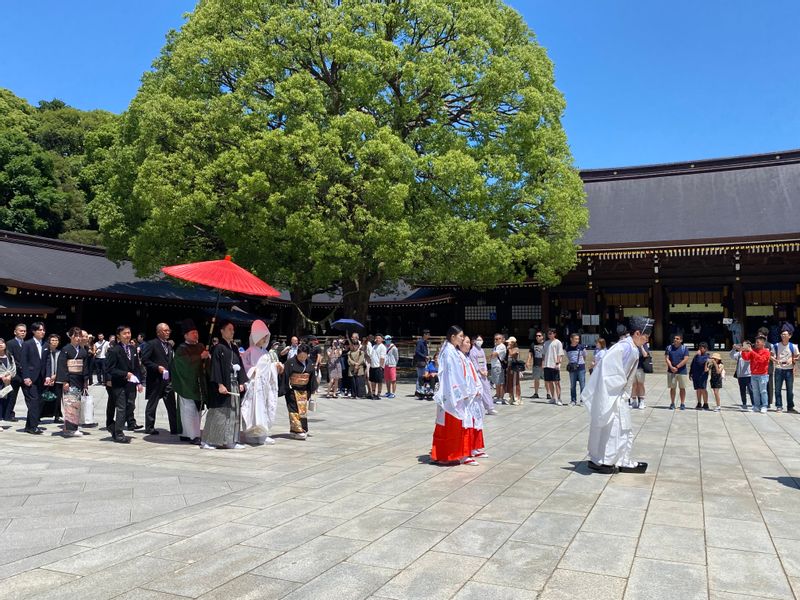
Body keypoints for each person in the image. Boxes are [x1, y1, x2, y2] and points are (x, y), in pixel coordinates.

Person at [584, 316, 654, 474]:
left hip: (619, 393)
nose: (647, 339)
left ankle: (621, 459)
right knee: (613, 427)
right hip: (612, 393)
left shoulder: (631, 347)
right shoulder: (623, 347)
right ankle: (604, 461)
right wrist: (621, 387)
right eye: (646, 335)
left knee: (623, 428)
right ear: (637, 333)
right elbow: (608, 371)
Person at [430, 325, 481, 466]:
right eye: (460, 336)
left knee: (452, 426)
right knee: (452, 426)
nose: (462, 338)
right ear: (453, 337)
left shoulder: (451, 351)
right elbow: (451, 376)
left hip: (453, 393)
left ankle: (450, 454)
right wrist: (460, 392)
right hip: (452, 394)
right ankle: (448, 455)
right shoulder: (449, 352)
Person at [203, 320, 248, 450]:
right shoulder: (218, 348)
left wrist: (241, 382)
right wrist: (220, 384)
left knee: (234, 412)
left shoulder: (233, 347)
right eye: (229, 329)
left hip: (233, 384)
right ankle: (207, 440)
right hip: (223, 385)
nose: (232, 331)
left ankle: (230, 440)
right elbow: (215, 368)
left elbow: (240, 365)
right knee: (219, 412)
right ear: (222, 331)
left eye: (233, 329)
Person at [240, 320, 280, 445]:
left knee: (264, 408)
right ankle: (251, 434)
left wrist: (275, 366)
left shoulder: (266, 352)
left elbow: (268, 367)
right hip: (254, 385)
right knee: (253, 409)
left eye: (266, 337)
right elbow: (244, 365)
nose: (264, 339)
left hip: (264, 385)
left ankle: (262, 434)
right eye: (262, 337)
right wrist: (252, 370)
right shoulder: (249, 351)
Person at [170, 319, 208, 445]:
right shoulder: (182, 349)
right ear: (185, 335)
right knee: (188, 409)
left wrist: (206, 358)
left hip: (198, 383)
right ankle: (193, 435)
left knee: (196, 409)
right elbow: (183, 365)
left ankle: (187, 433)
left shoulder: (201, 346)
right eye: (192, 333)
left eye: (196, 332)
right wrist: (200, 358)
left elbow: (204, 365)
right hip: (186, 383)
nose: (196, 335)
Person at [105, 325, 144, 443]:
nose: (127, 335)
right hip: (119, 383)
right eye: (125, 333)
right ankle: (119, 433)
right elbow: (110, 369)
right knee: (121, 407)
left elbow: (137, 367)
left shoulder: (133, 349)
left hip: (131, 384)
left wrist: (139, 382)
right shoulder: (114, 350)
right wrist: (125, 374)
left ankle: (114, 427)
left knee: (130, 405)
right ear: (118, 336)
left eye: (129, 333)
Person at [140, 323, 178, 435]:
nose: (168, 332)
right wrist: (157, 367)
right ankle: (149, 427)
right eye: (165, 330)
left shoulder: (169, 346)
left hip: (168, 380)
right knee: (152, 404)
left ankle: (175, 427)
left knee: (171, 404)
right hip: (156, 379)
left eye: (168, 330)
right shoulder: (152, 344)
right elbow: (144, 360)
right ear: (159, 332)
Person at [56, 327, 89, 437]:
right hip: (70, 379)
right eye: (76, 336)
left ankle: (70, 427)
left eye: (80, 336)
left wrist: (85, 380)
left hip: (79, 379)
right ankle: (70, 429)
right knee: (70, 404)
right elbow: (62, 365)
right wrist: (65, 381)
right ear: (70, 336)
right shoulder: (66, 349)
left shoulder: (83, 350)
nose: (78, 338)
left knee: (76, 404)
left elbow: (85, 366)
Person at [283, 342, 318, 440]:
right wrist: (285, 388)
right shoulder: (290, 362)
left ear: (307, 355)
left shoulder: (309, 363)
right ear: (297, 353)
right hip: (292, 390)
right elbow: (285, 376)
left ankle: (300, 429)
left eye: (304, 356)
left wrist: (313, 389)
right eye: (300, 356)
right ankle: (297, 430)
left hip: (304, 390)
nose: (302, 358)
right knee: (294, 410)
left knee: (302, 411)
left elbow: (312, 378)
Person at [460, 335, 487, 459]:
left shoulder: (467, 357)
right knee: (468, 423)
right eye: (466, 342)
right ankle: (467, 449)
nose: (468, 344)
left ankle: (475, 447)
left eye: (468, 342)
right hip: (468, 395)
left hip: (475, 393)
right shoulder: (459, 358)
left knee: (477, 421)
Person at [19, 321, 48, 435]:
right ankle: (33, 427)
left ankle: (29, 426)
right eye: (40, 330)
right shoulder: (27, 344)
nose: (42, 332)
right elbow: (23, 362)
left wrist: (48, 376)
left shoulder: (45, 344)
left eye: (43, 330)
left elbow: (47, 362)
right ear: (34, 331)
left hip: (42, 377)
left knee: (39, 402)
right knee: (34, 402)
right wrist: (26, 376)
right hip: (31, 377)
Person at [741, 336, 772, 413]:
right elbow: (746, 358)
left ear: (763, 343)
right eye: (756, 342)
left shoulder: (766, 352)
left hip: (763, 375)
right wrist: (744, 350)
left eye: (758, 342)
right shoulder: (753, 350)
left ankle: (764, 406)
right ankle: (756, 406)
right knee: (755, 391)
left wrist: (751, 351)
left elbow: (761, 360)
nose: (756, 344)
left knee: (763, 391)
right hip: (754, 374)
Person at [771, 329, 798, 413]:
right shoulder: (776, 345)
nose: (783, 336)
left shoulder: (793, 346)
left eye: (785, 334)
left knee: (790, 390)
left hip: (789, 369)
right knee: (777, 389)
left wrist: (793, 359)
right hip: (779, 369)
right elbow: (771, 356)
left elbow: (798, 356)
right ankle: (779, 406)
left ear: (789, 336)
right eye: (782, 334)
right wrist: (775, 360)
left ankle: (790, 407)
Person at [469, 334, 496, 416]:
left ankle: (490, 407)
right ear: (474, 341)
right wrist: (480, 371)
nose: (480, 342)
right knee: (480, 391)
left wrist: (486, 371)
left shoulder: (481, 350)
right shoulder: (472, 351)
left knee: (487, 390)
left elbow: (484, 361)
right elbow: (474, 363)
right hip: (478, 373)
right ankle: (486, 407)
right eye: (478, 340)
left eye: (481, 340)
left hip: (484, 373)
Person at [4, 323, 26, 422]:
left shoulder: (26, 343)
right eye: (21, 331)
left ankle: (34, 414)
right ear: (15, 332)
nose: (23, 333)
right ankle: (8, 414)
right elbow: (10, 357)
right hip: (15, 374)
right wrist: (19, 367)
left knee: (30, 395)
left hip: (26, 374)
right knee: (12, 395)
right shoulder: (10, 343)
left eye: (24, 331)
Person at [41, 333, 64, 423]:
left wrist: (56, 375)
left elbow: (62, 366)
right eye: (53, 340)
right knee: (43, 397)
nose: (55, 342)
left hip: (57, 379)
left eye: (56, 340)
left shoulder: (60, 352)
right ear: (49, 341)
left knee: (57, 398)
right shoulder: (45, 351)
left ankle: (57, 416)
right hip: (46, 378)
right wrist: (49, 376)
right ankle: (39, 415)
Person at [665, 334, 689, 410]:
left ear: (681, 340)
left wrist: (677, 367)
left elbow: (686, 359)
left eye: (677, 338)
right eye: (675, 338)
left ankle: (682, 403)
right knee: (672, 388)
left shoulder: (684, 348)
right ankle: (672, 403)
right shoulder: (669, 348)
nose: (675, 339)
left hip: (682, 371)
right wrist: (671, 367)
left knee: (682, 388)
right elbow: (667, 358)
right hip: (671, 371)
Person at [542, 328, 564, 405]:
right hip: (547, 364)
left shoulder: (558, 342)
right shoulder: (546, 343)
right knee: (549, 382)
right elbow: (544, 354)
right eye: (548, 334)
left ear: (554, 334)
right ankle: (553, 397)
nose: (549, 335)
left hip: (554, 364)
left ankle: (559, 398)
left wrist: (557, 362)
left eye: (551, 333)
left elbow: (560, 353)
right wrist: (543, 363)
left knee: (556, 382)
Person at [565, 333, 587, 407]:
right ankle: (573, 400)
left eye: (578, 339)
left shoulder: (581, 347)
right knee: (572, 385)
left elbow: (585, 356)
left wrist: (580, 363)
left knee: (582, 384)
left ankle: (582, 400)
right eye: (576, 339)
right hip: (572, 368)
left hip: (581, 367)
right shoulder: (568, 348)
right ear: (571, 339)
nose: (577, 340)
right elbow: (568, 357)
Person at [730, 344, 754, 411]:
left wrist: (749, 350)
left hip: (749, 375)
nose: (743, 347)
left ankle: (754, 404)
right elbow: (732, 356)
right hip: (740, 375)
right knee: (742, 390)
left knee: (751, 390)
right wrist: (733, 349)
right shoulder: (739, 354)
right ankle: (744, 404)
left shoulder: (751, 353)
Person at [0, 338, 17, 429]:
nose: (0, 345)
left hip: (8, 382)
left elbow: (13, 368)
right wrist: (2, 376)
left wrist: (10, 375)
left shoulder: (9, 356)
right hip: (1, 381)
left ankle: (3, 417)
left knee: (5, 401)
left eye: (2, 343)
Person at [690, 342, 710, 410]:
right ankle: (699, 403)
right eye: (699, 348)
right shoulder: (696, 355)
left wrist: (698, 355)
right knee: (698, 389)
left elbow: (700, 362)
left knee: (703, 389)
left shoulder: (707, 356)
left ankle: (706, 403)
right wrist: (690, 373)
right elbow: (692, 364)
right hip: (695, 375)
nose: (700, 349)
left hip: (703, 375)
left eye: (701, 348)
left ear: (706, 349)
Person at [631, 339, 650, 410]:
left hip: (640, 368)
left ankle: (642, 401)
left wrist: (641, 346)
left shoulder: (644, 345)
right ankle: (634, 401)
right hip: (632, 368)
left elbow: (645, 355)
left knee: (640, 384)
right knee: (634, 385)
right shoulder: (632, 345)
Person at [525, 331, 545, 398]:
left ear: (542, 336)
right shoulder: (533, 344)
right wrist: (528, 361)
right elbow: (530, 354)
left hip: (545, 365)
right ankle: (536, 393)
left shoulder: (545, 344)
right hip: (536, 364)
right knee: (536, 379)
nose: (537, 337)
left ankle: (549, 393)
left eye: (539, 335)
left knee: (547, 380)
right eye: (536, 335)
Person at [368, 334, 387, 399]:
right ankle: (373, 393)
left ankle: (378, 394)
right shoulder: (374, 346)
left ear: (382, 339)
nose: (377, 339)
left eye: (379, 338)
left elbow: (382, 357)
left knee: (379, 381)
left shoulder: (382, 347)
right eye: (376, 338)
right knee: (373, 381)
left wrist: (381, 366)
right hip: (373, 366)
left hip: (378, 366)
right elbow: (371, 355)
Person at [505, 336, 522, 405]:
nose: (508, 344)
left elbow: (512, 354)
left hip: (515, 368)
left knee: (515, 383)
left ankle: (518, 398)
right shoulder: (510, 349)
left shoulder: (516, 349)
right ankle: (511, 397)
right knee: (510, 383)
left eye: (509, 342)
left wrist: (509, 349)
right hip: (509, 367)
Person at [490, 333, 507, 403]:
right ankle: (498, 396)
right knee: (497, 383)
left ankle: (500, 397)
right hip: (494, 365)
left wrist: (492, 355)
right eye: (495, 339)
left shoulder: (501, 346)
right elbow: (492, 355)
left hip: (498, 366)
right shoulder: (496, 346)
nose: (497, 340)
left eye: (499, 338)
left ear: (502, 339)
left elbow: (494, 355)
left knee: (499, 383)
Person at [414, 330, 430, 396]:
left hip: (424, 361)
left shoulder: (425, 342)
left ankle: (421, 390)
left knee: (423, 377)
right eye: (428, 334)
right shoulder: (420, 342)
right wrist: (425, 356)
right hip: (420, 361)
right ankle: (418, 390)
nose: (429, 336)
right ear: (424, 334)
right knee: (420, 377)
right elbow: (417, 351)